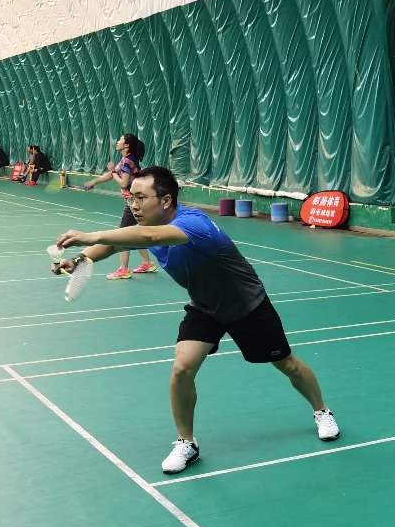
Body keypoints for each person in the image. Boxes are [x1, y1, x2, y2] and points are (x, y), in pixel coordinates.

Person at [52, 166, 340, 474]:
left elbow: (149, 236)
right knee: (182, 368)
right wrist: (81, 259)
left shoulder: (192, 223)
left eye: (140, 198)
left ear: (165, 200)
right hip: (205, 306)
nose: (133, 205)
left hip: (247, 305)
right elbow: (116, 244)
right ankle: (186, 443)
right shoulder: (148, 225)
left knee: (287, 364)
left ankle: (321, 410)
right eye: (130, 198)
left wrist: (90, 235)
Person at [82, 134, 156, 278]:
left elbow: (123, 183)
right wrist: (94, 181)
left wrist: (113, 171)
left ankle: (124, 269)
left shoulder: (127, 161)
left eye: (121, 140)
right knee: (136, 232)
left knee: (123, 236)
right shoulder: (126, 159)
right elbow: (111, 175)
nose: (117, 142)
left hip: (133, 203)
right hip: (136, 202)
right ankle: (147, 263)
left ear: (127, 145)